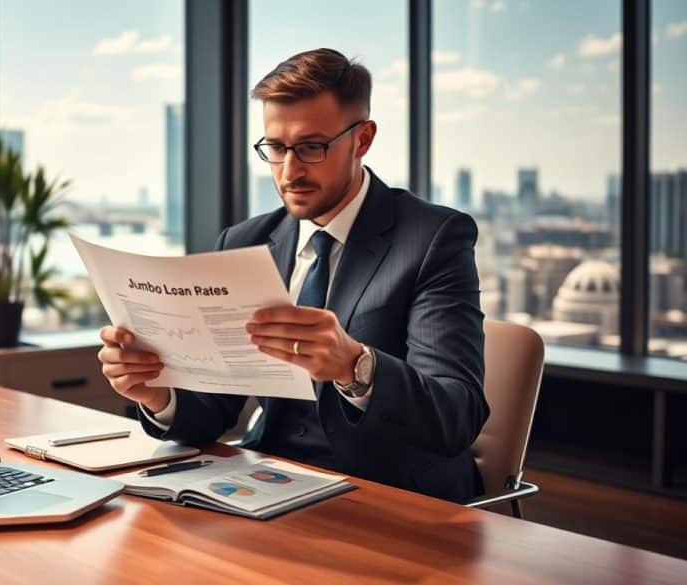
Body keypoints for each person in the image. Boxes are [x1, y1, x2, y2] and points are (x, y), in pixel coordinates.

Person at [97, 48, 489, 502]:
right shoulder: (245, 241)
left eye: (311, 147)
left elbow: (455, 417)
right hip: (268, 482)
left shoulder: (434, 238)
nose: (289, 171)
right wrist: (158, 394)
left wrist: (356, 366)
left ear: (362, 139)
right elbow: (213, 413)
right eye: (276, 148)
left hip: (391, 496)